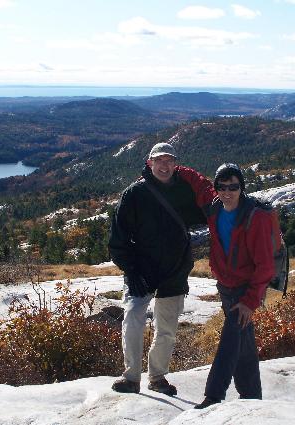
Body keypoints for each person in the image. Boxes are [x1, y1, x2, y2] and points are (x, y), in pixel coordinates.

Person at [108, 142, 207, 396]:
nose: (164, 166)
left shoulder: (184, 191)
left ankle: (157, 377)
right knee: (132, 321)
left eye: (169, 161)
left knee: (167, 329)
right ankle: (131, 377)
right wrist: (131, 271)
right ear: (149, 163)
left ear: (176, 165)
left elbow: (208, 211)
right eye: (158, 161)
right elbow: (118, 241)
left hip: (174, 271)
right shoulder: (134, 194)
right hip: (142, 271)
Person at [177, 163, 275, 409]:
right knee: (244, 342)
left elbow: (265, 266)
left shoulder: (256, 217)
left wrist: (250, 301)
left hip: (245, 290)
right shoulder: (215, 207)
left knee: (231, 339)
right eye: (222, 187)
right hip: (226, 286)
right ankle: (252, 395)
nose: (228, 192)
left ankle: (214, 395)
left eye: (234, 187)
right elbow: (199, 182)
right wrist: (171, 166)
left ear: (242, 188)